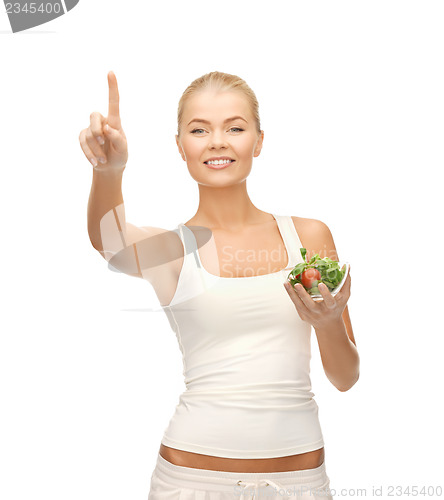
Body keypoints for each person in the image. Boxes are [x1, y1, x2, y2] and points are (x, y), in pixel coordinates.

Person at [80, 70, 360, 500]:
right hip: (192, 481)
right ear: (180, 147)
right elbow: (111, 244)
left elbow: (345, 377)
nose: (217, 141)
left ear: (259, 141)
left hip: (298, 482)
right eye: (199, 129)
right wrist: (110, 170)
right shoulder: (173, 249)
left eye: (235, 127)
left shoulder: (310, 237)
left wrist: (327, 322)